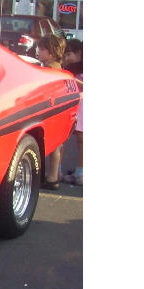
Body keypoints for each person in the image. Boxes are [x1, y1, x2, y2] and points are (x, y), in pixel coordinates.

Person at [36, 34, 66, 190]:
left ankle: (51, 177)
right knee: (57, 145)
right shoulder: (59, 67)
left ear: (52, 53)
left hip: (50, 110)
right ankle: (54, 176)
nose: (38, 52)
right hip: (59, 109)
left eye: (42, 49)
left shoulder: (49, 69)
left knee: (49, 144)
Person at [62, 39, 83, 185]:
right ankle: (58, 170)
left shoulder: (79, 70)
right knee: (63, 138)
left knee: (82, 140)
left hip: (82, 107)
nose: (66, 58)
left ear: (79, 53)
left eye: (69, 54)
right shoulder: (69, 70)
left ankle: (81, 172)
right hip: (72, 107)